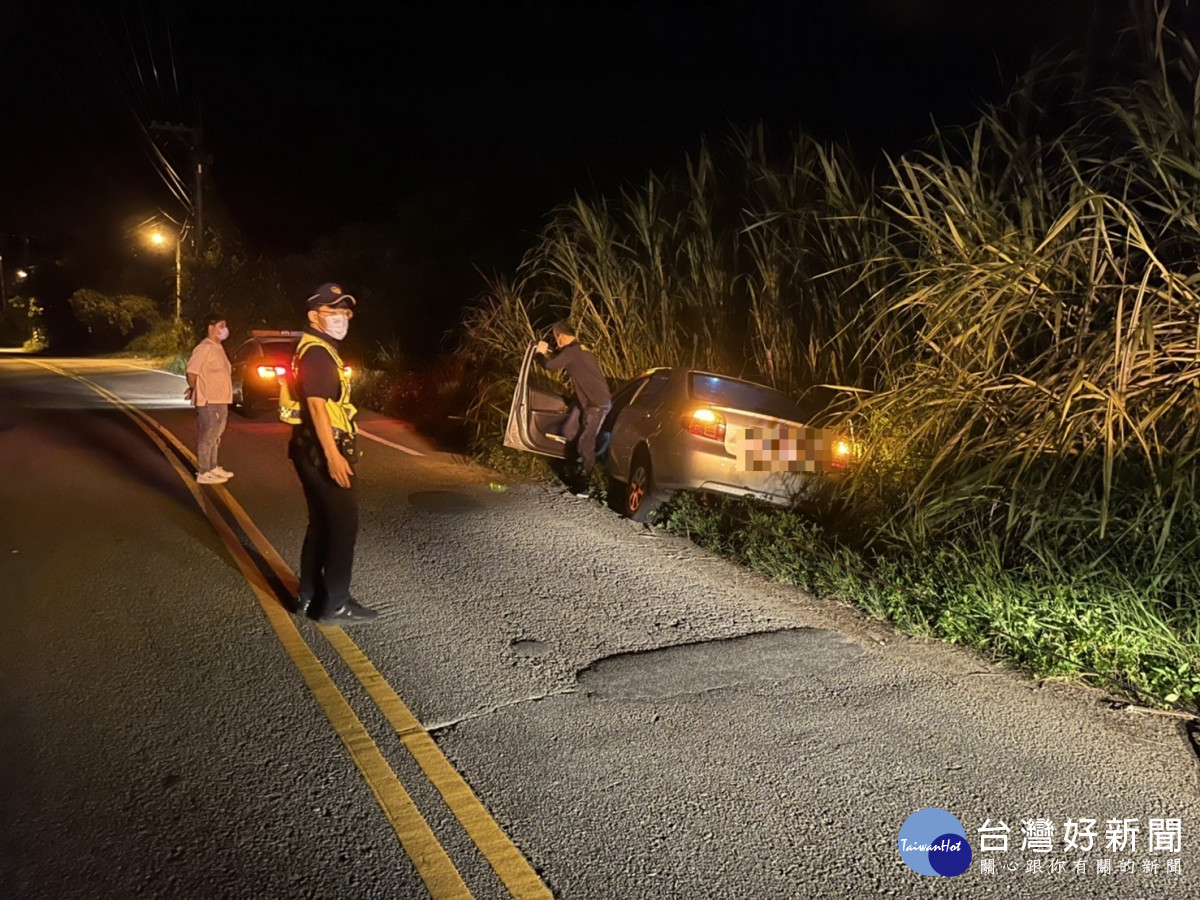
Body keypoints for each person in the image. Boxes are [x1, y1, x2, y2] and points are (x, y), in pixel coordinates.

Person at [281, 283, 377, 625]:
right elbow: (318, 408)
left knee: (321, 524)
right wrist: (334, 455)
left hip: (307, 447)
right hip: (325, 449)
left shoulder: (314, 348)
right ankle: (336, 603)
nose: (341, 318)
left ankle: (307, 597)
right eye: (332, 311)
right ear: (313, 316)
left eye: (345, 312)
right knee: (342, 526)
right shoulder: (318, 353)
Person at [535, 320, 612, 479]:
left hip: (596, 404)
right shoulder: (581, 349)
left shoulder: (572, 353)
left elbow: (549, 366)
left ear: (561, 336)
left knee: (585, 441)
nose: (557, 343)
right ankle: (578, 461)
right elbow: (564, 358)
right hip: (592, 401)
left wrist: (539, 353)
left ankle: (589, 476)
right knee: (570, 430)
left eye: (557, 339)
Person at [185, 313, 234, 484]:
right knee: (208, 434)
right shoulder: (204, 348)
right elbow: (192, 372)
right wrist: (194, 389)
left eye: (225, 326)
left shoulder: (218, 347)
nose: (224, 329)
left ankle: (213, 467)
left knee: (216, 435)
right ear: (211, 328)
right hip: (209, 400)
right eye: (221, 326)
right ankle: (204, 471)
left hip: (221, 399)